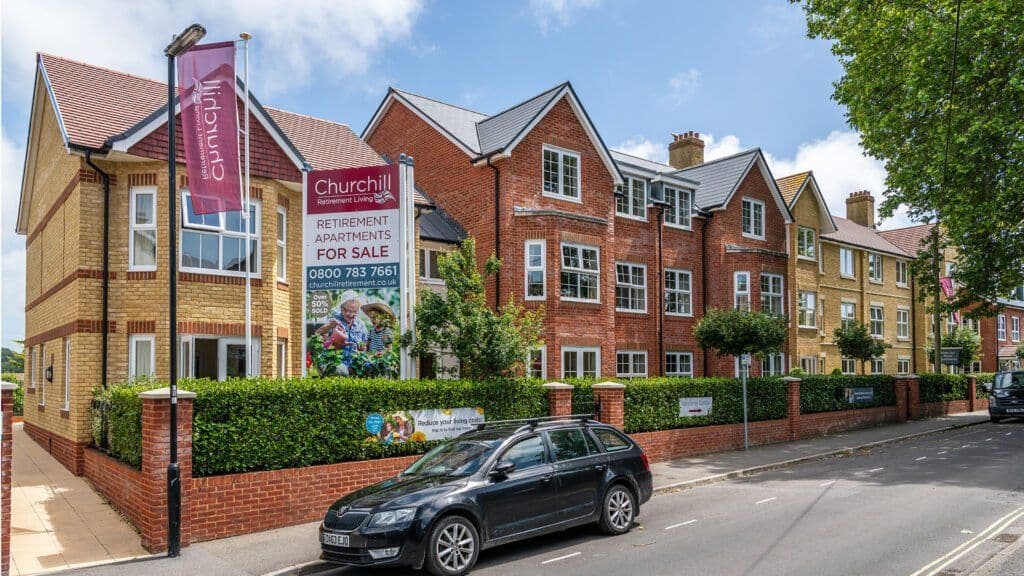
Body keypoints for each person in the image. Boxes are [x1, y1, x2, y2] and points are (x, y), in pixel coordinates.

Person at [315, 291, 369, 374]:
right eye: (349, 311)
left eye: (355, 312)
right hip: (335, 361)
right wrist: (329, 326)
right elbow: (316, 335)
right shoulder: (333, 320)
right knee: (342, 371)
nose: (352, 315)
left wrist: (362, 349)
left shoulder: (360, 325)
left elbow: (365, 346)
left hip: (354, 365)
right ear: (342, 309)